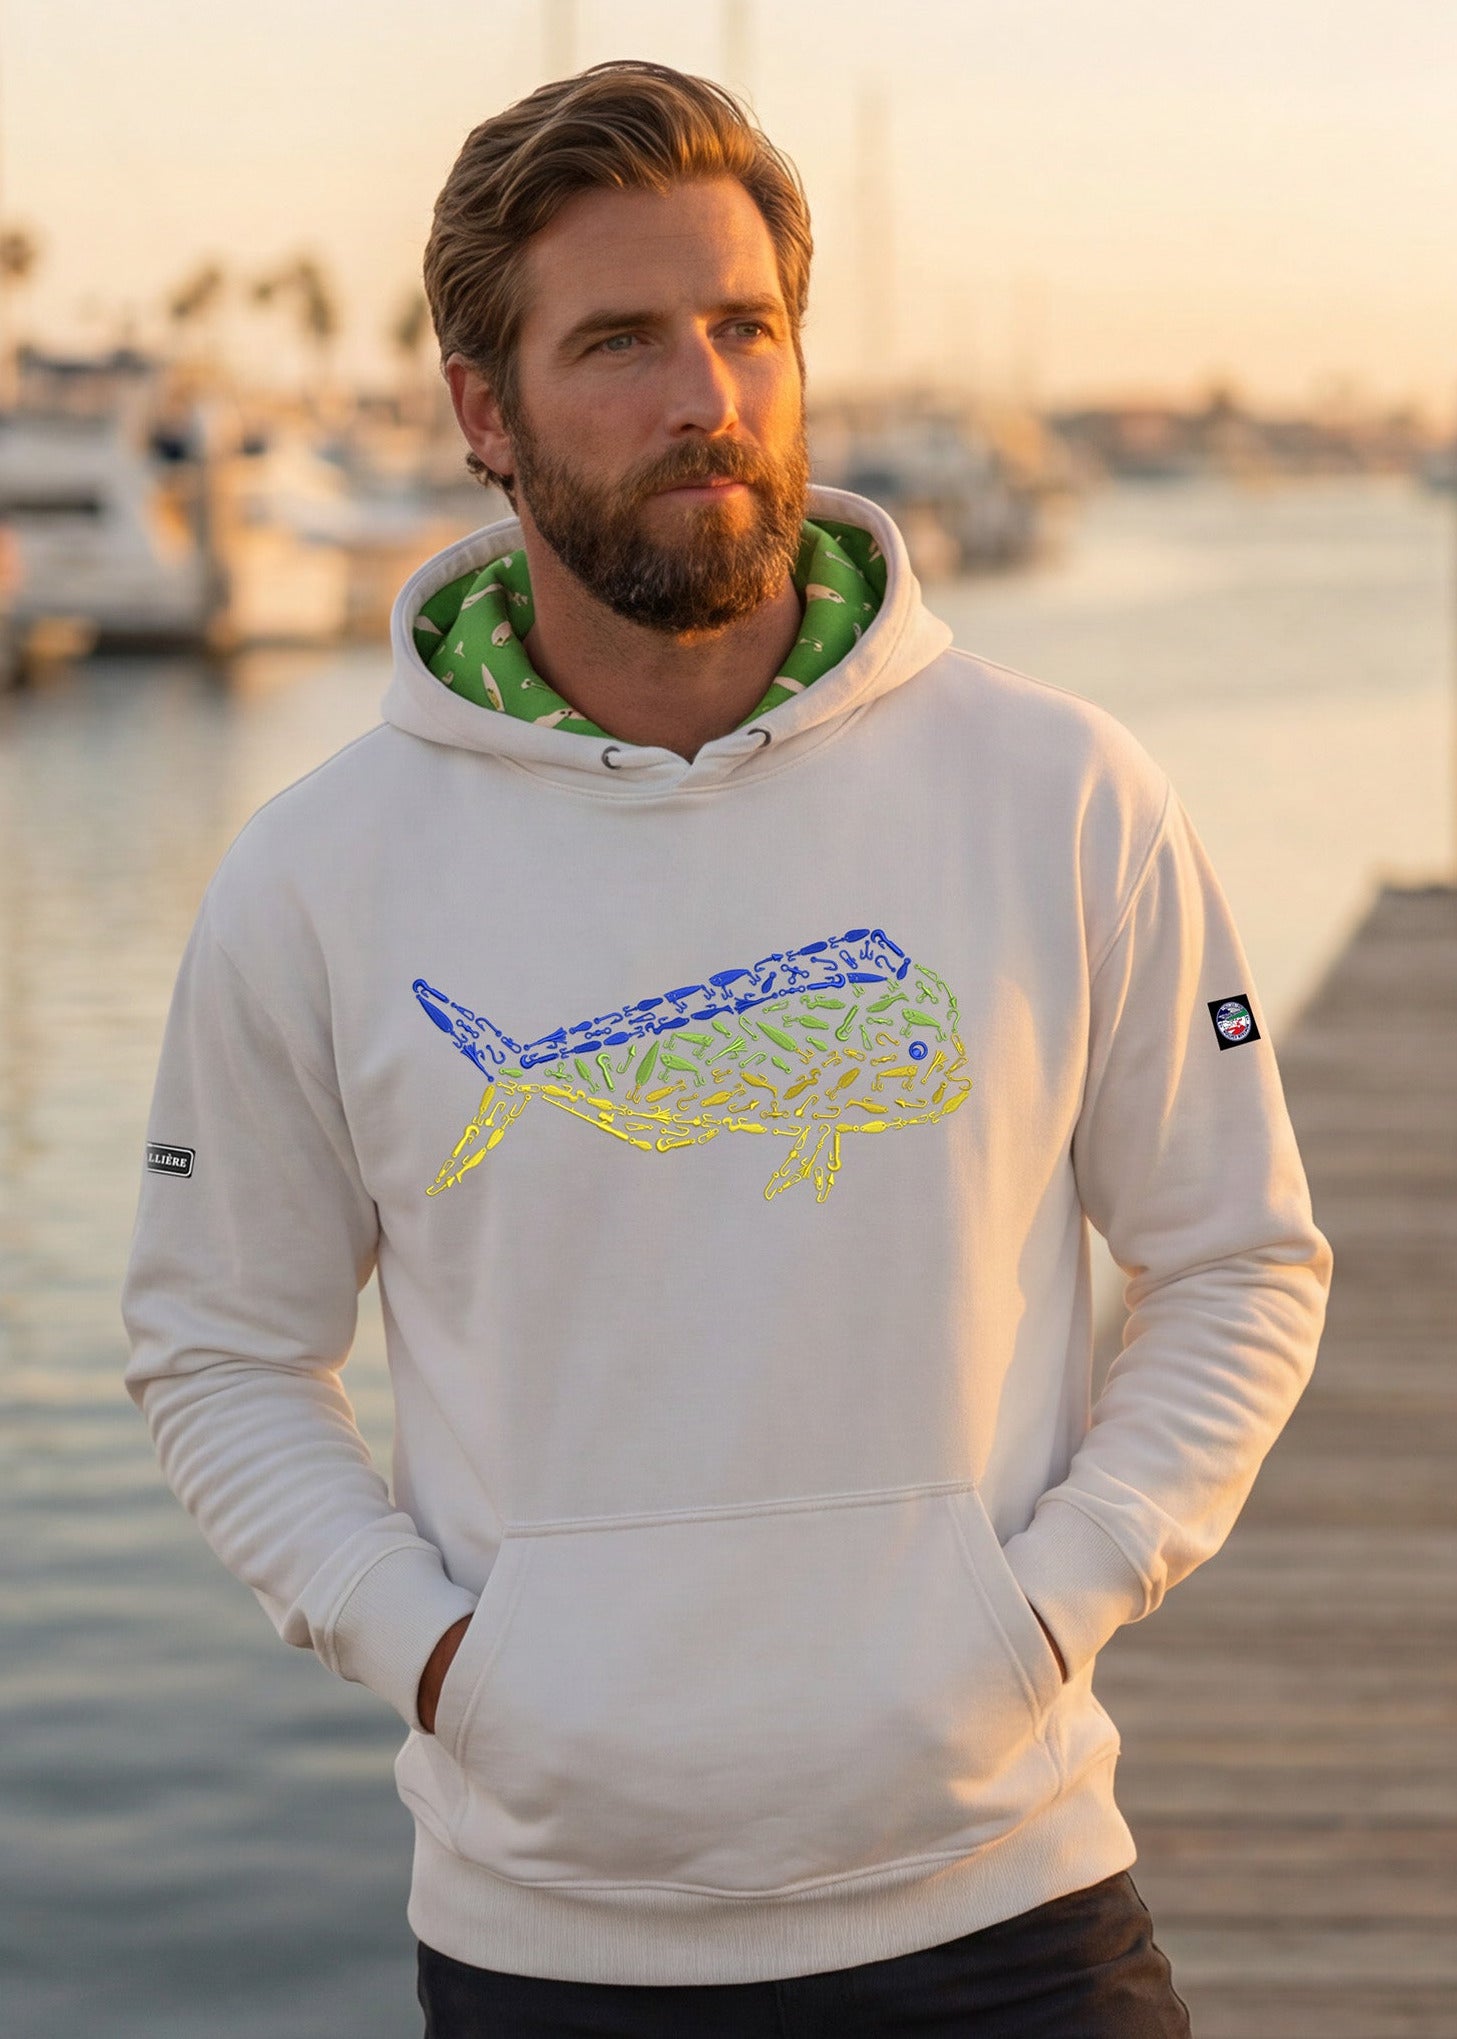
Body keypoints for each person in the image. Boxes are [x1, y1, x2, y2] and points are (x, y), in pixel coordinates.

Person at [122, 60, 1332, 2038]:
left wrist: (1050, 1604)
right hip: (550, 1942)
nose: (707, 397)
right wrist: (447, 1662)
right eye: (619, 342)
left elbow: (1237, 1259)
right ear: (483, 413)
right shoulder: (320, 875)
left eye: (745, 328)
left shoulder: (1064, 793)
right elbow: (222, 1349)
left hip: (1008, 1900)